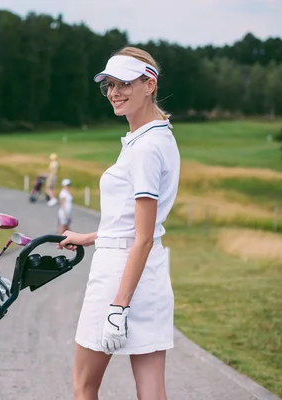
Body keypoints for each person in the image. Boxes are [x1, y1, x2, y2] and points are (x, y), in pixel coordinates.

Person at [57, 46, 181, 400]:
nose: (114, 92)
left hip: (120, 279)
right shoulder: (158, 136)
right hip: (150, 274)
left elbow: (140, 237)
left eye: (125, 83)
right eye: (109, 84)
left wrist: (118, 306)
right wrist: (92, 236)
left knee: (84, 384)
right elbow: (139, 227)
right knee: (152, 388)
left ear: (149, 84)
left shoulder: (145, 148)